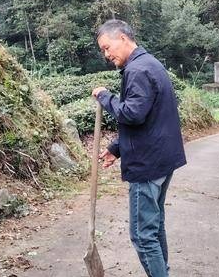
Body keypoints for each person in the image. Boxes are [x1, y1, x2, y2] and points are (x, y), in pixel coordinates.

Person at [92, 19, 186, 277]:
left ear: (123, 38)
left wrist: (105, 96)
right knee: (154, 227)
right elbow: (148, 118)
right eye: (103, 50)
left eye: (107, 47)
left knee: (143, 236)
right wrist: (117, 148)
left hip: (148, 165)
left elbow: (132, 114)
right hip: (161, 159)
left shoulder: (137, 70)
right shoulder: (149, 64)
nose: (106, 55)